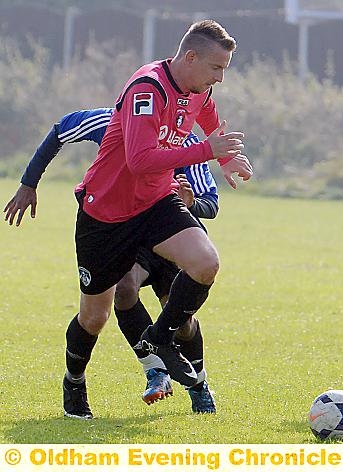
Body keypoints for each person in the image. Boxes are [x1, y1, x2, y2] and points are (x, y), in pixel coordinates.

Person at [55, 19, 250, 419]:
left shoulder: (197, 87)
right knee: (95, 315)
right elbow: (139, 160)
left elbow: (208, 114)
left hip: (156, 201)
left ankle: (160, 337)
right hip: (106, 212)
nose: (220, 78)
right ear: (190, 57)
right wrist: (208, 152)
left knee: (205, 262)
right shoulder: (148, 89)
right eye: (216, 68)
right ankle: (74, 383)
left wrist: (227, 159)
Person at [3, 107, 219, 413]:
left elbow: (211, 201)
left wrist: (192, 203)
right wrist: (29, 183)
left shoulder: (184, 139)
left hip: (167, 230)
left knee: (182, 321)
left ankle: (198, 383)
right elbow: (60, 130)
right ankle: (129, 374)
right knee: (109, 302)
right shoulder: (111, 122)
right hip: (116, 228)